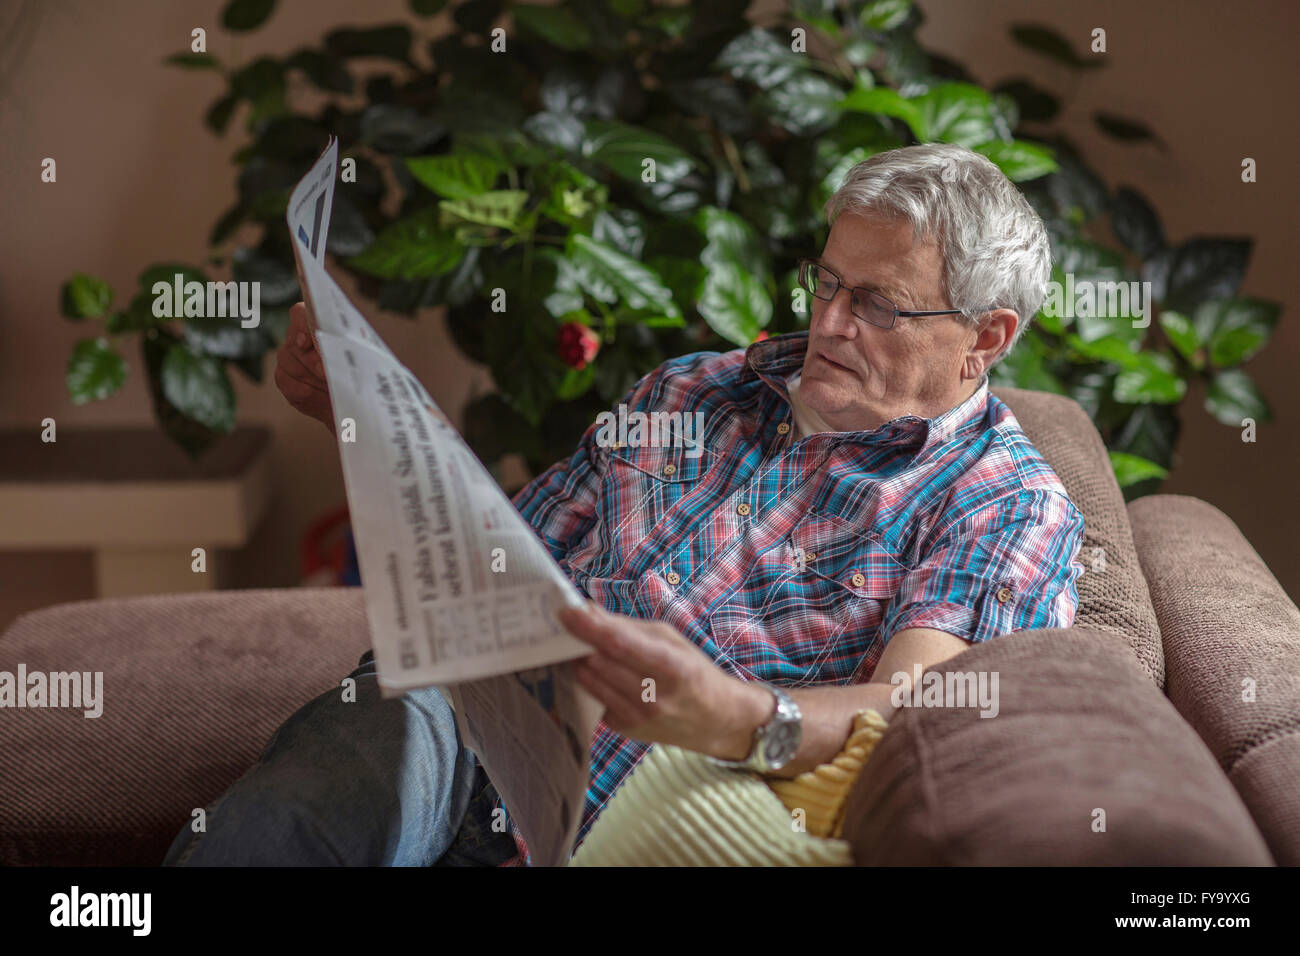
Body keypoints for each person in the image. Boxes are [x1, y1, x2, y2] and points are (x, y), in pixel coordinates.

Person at [165, 142, 1085, 867]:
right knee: (342, 772)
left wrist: (729, 713)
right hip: (474, 722)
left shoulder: (1001, 506)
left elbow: (914, 707)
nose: (831, 324)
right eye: (829, 282)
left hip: (652, 808)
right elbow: (500, 559)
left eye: (879, 305)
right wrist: (363, 420)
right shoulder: (694, 390)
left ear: (985, 337)